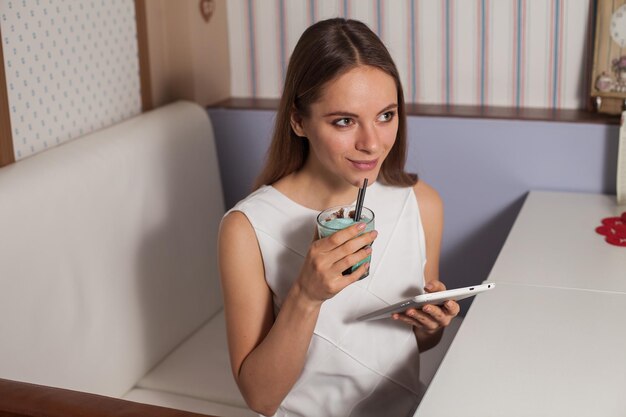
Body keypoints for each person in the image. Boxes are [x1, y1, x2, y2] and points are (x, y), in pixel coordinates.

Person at [218, 18, 460, 417]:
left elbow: (412, 345)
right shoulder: (246, 229)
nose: (371, 143)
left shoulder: (422, 203)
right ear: (298, 120)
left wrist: (429, 327)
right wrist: (306, 294)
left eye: (386, 115)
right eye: (344, 121)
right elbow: (260, 398)